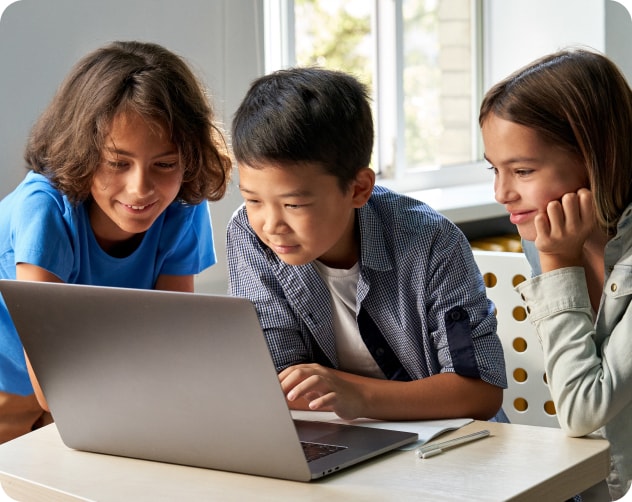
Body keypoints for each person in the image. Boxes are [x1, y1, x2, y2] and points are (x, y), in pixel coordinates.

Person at [226, 67, 507, 423]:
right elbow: (279, 384)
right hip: (337, 439)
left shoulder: (432, 242)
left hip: (450, 444)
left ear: (359, 189)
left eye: (293, 205)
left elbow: (479, 392)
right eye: (253, 200)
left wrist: (358, 396)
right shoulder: (248, 235)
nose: (271, 224)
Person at [0, 40, 232, 443]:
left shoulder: (179, 205)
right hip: (16, 388)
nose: (141, 188)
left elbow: (173, 340)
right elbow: (54, 388)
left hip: (92, 384)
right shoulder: (43, 210)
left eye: (164, 164)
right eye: (117, 163)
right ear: (83, 150)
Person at [480, 48, 632, 500]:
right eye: (495, 170)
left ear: (596, 157)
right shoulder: (546, 237)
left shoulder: (552, 248)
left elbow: (585, 409)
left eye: (522, 171)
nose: (501, 193)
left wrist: (559, 265)